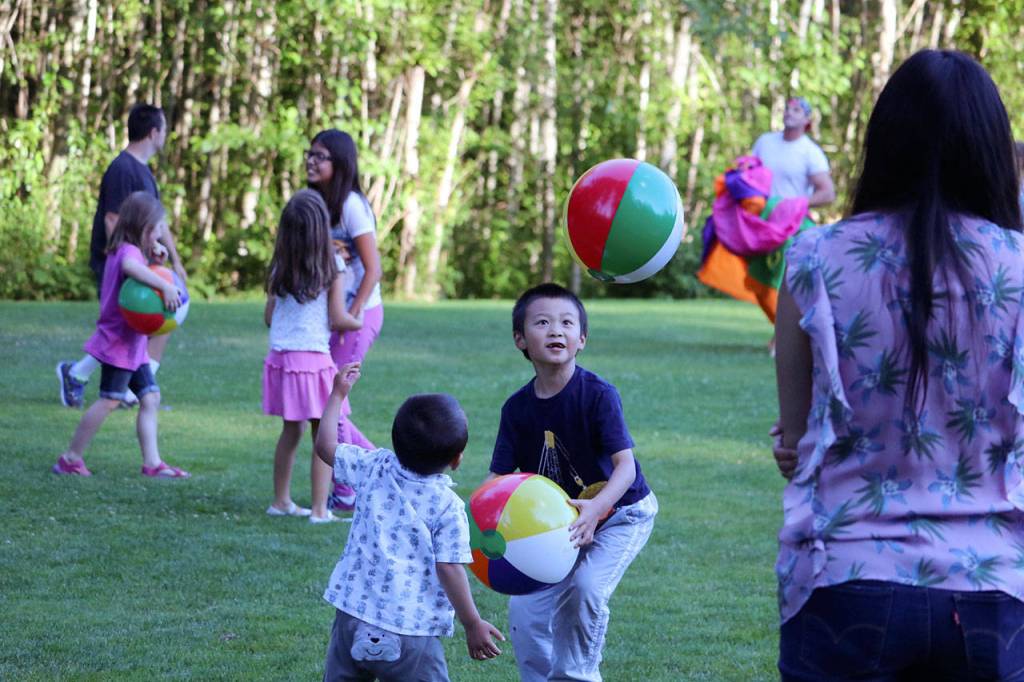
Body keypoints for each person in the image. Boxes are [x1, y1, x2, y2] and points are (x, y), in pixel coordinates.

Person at [773, 50, 1024, 679]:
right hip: (996, 587)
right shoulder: (1019, 265)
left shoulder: (815, 257)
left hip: (845, 579)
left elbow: (799, 442)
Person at [485, 282, 657, 682]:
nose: (555, 331)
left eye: (566, 323)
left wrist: (597, 511)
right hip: (559, 524)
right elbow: (498, 479)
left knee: (586, 589)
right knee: (524, 610)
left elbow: (625, 468)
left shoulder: (598, 395)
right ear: (520, 339)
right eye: (542, 322)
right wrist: (475, 520)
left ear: (582, 339)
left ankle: (578, 676)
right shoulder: (516, 409)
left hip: (621, 514)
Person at [314, 363, 505, 680]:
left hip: (353, 615)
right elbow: (450, 567)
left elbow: (324, 447)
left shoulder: (374, 465)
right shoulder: (448, 507)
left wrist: (337, 395)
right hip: (411, 630)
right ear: (457, 460)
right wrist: (472, 623)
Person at [57, 103, 187, 409]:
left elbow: (157, 222)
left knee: (139, 324)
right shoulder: (121, 169)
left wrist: (173, 258)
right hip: (120, 263)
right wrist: (135, 261)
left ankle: (131, 388)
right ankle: (84, 376)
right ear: (154, 132)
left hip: (139, 260)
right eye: (165, 130)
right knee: (122, 328)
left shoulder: (144, 172)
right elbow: (113, 220)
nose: (165, 135)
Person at [52, 193, 188, 478]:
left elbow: (139, 270)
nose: (161, 233)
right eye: (157, 228)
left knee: (150, 397)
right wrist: (164, 287)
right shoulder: (127, 252)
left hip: (133, 343)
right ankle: (70, 458)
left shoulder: (131, 250)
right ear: (143, 227)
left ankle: (152, 464)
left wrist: (156, 257)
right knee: (109, 400)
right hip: (119, 343)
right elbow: (132, 269)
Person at [263, 190, 362, 523]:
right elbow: (337, 317)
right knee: (325, 432)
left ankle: (281, 501)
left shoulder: (279, 265)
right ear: (321, 228)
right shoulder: (331, 265)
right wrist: (358, 320)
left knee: (291, 432)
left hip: (281, 358)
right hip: (313, 359)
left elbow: (269, 317)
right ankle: (320, 509)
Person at [305, 129, 384, 513]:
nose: (311, 161)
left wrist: (352, 315)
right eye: (309, 154)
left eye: (320, 156)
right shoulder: (316, 203)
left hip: (359, 315)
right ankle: (378, 470)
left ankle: (357, 482)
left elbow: (373, 268)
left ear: (339, 163)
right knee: (321, 401)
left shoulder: (351, 204)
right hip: (334, 318)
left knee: (329, 399)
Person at [752, 96, 835, 208]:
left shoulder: (811, 152)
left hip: (790, 222)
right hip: (758, 218)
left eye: (796, 110)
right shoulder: (764, 141)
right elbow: (749, 173)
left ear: (806, 120)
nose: (789, 113)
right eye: (787, 109)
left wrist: (795, 206)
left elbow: (828, 194)